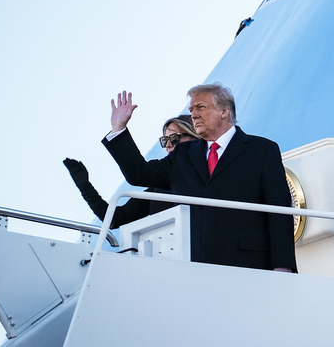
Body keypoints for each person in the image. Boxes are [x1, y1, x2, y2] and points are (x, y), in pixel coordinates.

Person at [103, 84, 297, 273]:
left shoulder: (262, 150)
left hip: (249, 265)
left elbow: (279, 211)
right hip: (193, 266)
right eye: (191, 109)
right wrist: (119, 128)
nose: (194, 114)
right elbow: (140, 174)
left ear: (224, 111)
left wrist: (283, 265)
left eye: (200, 107)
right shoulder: (182, 155)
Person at [63, 115, 201, 228]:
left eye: (174, 139)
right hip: (171, 254)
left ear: (196, 136)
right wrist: (84, 186)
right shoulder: (160, 184)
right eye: (165, 141)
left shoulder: (214, 168)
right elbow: (114, 219)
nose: (168, 144)